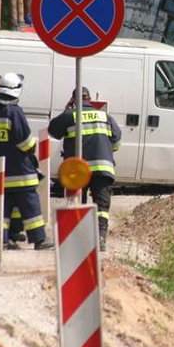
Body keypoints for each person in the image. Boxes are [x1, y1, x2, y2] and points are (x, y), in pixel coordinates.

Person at [0, 72, 53, 250]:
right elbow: (24, 141)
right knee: (30, 207)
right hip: (20, 173)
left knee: (2, 210)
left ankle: (1, 240)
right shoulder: (14, 112)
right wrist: (32, 146)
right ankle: (39, 240)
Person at [48, 87, 121, 251]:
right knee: (102, 207)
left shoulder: (70, 116)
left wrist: (66, 110)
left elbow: (53, 130)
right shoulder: (105, 116)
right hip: (103, 168)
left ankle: (79, 240)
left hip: (78, 170)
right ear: (89, 99)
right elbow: (116, 142)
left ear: (73, 100)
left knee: (78, 204)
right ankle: (101, 239)